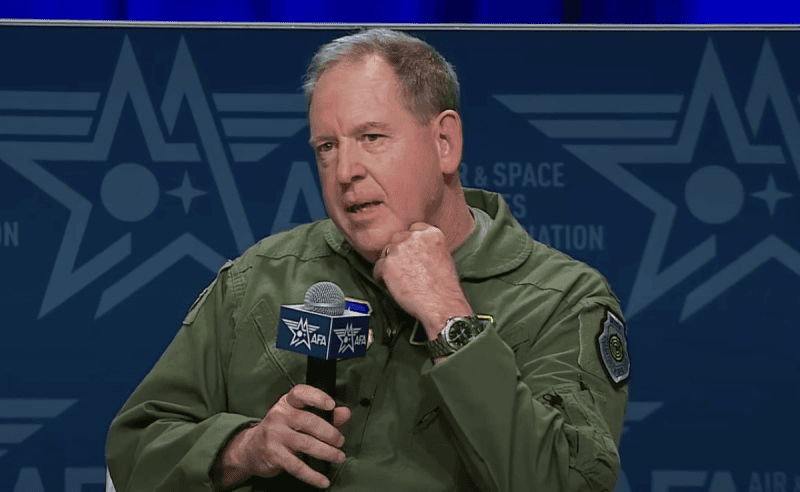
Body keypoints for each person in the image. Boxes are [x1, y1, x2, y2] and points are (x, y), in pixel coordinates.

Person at [106, 28, 630, 491]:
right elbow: (134, 451)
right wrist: (244, 448)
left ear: (444, 143)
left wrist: (448, 315)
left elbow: (565, 483)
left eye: (371, 137)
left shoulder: (562, 299)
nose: (344, 172)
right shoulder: (260, 277)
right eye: (326, 147)